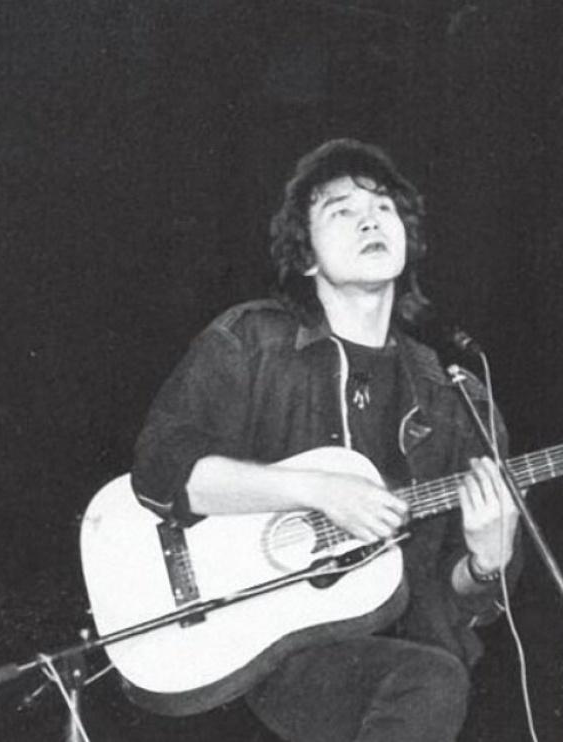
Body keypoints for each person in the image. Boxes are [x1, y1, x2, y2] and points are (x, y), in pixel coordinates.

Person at [131, 138, 523, 742]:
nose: (371, 219)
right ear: (307, 255)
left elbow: (456, 602)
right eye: (342, 210)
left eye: (384, 207)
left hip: (383, 664)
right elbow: (162, 466)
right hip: (249, 645)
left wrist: (485, 564)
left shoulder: (456, 399)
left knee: (433, 677)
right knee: (429, 681)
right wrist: (314, 490)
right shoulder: (254, 342)